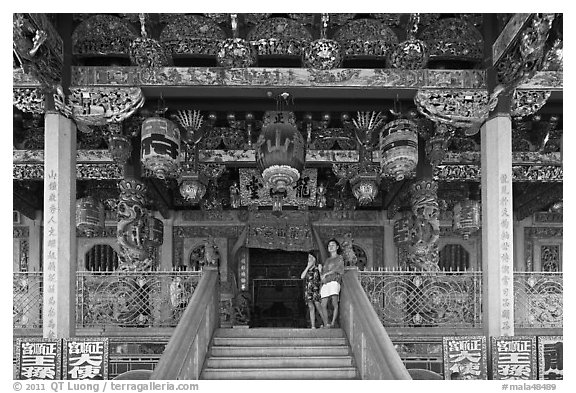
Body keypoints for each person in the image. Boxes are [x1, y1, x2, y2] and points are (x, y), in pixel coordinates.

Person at [320, 239, 345, 328]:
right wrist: (322, 274)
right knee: (323, 304)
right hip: (326, 283)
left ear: (337, 247)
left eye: (333, 245)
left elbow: (339, 269)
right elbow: (323, 272)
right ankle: (326, 323)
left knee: (334, 302)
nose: (331, 247)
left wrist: (327, 273)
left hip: (334, 281)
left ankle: (333, 323)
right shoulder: (327, 260)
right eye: (329, 245)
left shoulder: (339, 258)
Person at [300, 252, 328, 328]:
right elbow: (302, 276)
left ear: (315, 259)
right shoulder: (307, 269)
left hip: (316, 290)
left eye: (311, 258)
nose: (310, 259)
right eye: (309, 258)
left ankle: (325, 324)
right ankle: (313, 326)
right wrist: (308, 266)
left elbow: (322, 279)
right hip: (308, 290)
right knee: (311, 307)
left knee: (318, 306)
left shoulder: (318, 268)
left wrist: (320, 270)